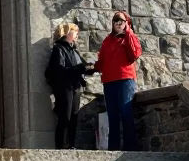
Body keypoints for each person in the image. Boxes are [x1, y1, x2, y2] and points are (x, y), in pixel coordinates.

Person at [94, 11, 141, 151]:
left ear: (127, 23)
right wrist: (90, 67)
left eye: (121, 21)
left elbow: (134, 54)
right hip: (109, 81)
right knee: (112, 117)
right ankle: (113, 149)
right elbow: (102, 62)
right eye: (116, 21)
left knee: (126, 115)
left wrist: (128, 33)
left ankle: (129, 149)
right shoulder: (107, 40)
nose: (118, 23)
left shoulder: (129, 37)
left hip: (125, 80)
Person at [45, 22, 88, 149]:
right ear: (67, 33)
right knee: (65, 117)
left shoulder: (73, 50)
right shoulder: (59, 49)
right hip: (65, 87)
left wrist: (91, 67)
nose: (77, 34)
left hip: (75, 86)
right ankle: (60, 147)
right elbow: (59, 69)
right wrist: (79, 68)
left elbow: (82, 66)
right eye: (75, 31)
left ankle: (71, 145)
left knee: (74, 117)